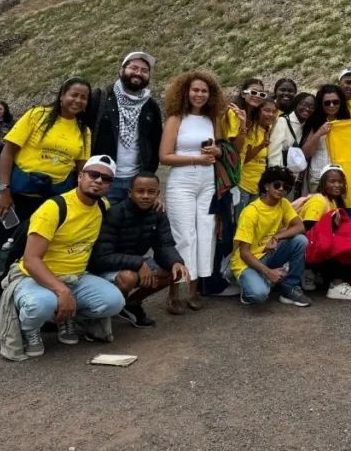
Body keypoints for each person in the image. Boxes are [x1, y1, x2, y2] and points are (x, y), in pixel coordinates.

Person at [0, 78, 93, 354]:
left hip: (46, 206)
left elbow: (80, 173)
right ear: (62, 94)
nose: (77, 101)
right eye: (73, 95)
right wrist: (4, 190)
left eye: (83, 98)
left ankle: (34, 315)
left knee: (39, 260)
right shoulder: (37, 116)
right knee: (1, 259)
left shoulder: (83, 131)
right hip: (16, 199)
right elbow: (8, 151)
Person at [8, 155, 124, 357]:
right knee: (40, 305)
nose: (98, 181)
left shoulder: (102, 207)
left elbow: (131, 210)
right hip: (36, 277)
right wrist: (62, 292)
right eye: (93, 175)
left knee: (114, 302)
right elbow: (31, 260)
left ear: (109, 186)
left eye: (105, 179)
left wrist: (155, 202)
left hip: (77, 276)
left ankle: (66, 315)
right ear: (80, 177)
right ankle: (30, 328)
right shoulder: (54, 208)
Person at [159, 70, 225, 314]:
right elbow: (164, 156)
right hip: (182, 182)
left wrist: (217, 153)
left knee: (205, 233)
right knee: (184, 235)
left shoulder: (212, 119)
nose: (200, 94)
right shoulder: (176, 119)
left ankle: (195, 290)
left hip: (208, 182)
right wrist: (196, 159)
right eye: (195, 90)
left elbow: (220, 149)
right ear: (186, 92)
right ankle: (174, 291)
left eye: (204, 91)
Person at [88, 171, 189, 328]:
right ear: (130, 193)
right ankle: (104, 311)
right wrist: (138, 263)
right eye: (140, 191)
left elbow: (164, 245)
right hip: (105, 268)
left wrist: (176, 262)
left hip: (133, 264)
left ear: (158, 193)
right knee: (128, 278)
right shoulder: (115, 213)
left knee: (176, 271)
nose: (145, 196)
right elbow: (101, 256)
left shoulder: (158, 213)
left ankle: (132, 303)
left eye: (151, 192)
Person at [85, 52, 163, 204]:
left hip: (136, 182)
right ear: (121, 70)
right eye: (133, 68)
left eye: (144, 70)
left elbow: (155, 143)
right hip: (104, 179)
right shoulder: (100, 98)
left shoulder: (150, 106)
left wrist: (147, 177)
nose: (138, 73)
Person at [230, 166, 311, 307]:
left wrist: (276, 237)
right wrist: (268, 272)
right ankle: (248, 287)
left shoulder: (283, 204)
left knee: (300, 241)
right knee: (259, 295)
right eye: (277, 184)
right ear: (266, 186)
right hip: (247, 261)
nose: (281, 189)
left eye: (285, 187)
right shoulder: (251, 212)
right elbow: (244, 253)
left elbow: (301, 227)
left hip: (268, 254)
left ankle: (289, 288)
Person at [297, 164, 351, 300]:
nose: (337, 185)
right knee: (349, 248)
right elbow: (307, 229)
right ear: (324, 183)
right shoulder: (319, 200)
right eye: (332, 181)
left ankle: (312, 273)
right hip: (308, 250)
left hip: (317, 250)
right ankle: (336, 284)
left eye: (340, 182)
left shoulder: (333, 201)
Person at [302, 84, 351, 194]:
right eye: (327, 102)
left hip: (341, 179)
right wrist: (319, 132)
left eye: (335, 102)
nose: (332, 105)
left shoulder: (348, 122)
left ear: (341, 102)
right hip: (318, 178)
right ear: (321, 104)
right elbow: (306, 153)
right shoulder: (314, 122)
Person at [236, 99, 278, 218]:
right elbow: (244, 159)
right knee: (239, 220)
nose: (270, 114)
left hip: (258, 185)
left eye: (274, 112)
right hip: (244, 183)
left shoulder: (269, 129)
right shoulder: (251, 129)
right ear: (258, 111)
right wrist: (260, 147)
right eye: (267, 110)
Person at [268, 92, 314, 168]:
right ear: (296, 104)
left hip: (293, 173)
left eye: (311, 107)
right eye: (304, 104)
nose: (307, 109)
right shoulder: (282, 121)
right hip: (279, 172)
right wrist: (276, 171)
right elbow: (274, 150)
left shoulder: (306, 125)